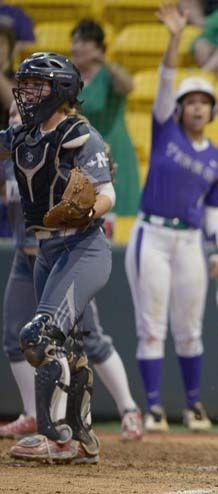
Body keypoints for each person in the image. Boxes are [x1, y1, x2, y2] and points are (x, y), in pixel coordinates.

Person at [0, 102, 143, 443]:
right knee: (16, 336)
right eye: (12, 117)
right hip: (28, 254)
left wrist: (92, 204)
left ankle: (127, 410)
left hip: (67, 253)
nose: (17, 120)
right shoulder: (13, 161)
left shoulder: (66, 149)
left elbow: (102, 190)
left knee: (84, 338)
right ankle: (35, 417)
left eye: (21, 116)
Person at [0, 51, 116, 464]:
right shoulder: (22, 135)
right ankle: (82, 437)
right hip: (45, 249)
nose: (27, 93)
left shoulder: (79, 134)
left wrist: (88, 210)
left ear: (60, 90)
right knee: (66, 343)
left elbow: (108, 194)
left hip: (82, 246)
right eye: (25, 84)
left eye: (36, 85)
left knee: (39, 336)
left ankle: (56, 437)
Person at [125, 4, 218, 433]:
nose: (198, 108)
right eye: (191, 102)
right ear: (181, 108)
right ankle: (152, 407)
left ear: (213, 110)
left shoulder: (216, 157)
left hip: (189, 242)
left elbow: (213, 208)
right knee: (152, 327)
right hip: (152, 234)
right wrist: (174, 38)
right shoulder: (165, 130)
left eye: (205, 102)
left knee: (189, 328)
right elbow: (166, 80)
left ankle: (192, 405)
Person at [70, 19, 140, 218]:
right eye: (74, 41)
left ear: (99, 47)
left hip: (115, 153)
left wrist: (104, 62)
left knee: (117, 218)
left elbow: (129, 86)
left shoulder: (108, 76)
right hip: (81, 156)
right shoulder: (69, 79)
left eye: (84, 42)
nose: (76, 47)